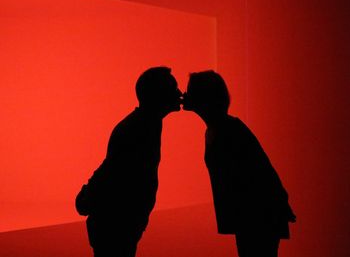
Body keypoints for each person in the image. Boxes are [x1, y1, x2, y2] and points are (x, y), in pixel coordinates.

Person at [182, 70, 296, 257]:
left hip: (257, 217)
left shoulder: (229, 130)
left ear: (204, 97)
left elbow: (260, 172)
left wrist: (278, 205)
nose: (184, 95)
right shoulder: (220, 129)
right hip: (251, 217)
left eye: (190, 91)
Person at [75, 66, 182, 257]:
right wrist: (87, 198)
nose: (179, 93)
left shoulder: (146, 123)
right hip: (115, 225)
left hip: (119, 224)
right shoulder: (138, 128)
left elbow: (111, 167)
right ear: (158, 95)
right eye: (173, 88)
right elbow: (113, 172)